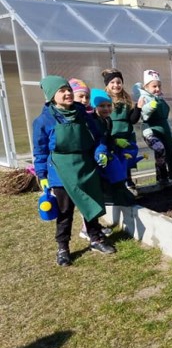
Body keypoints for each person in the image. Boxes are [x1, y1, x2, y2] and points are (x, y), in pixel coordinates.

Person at [33, 76, 116, 266]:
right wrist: (42, 175)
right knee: (65, 211)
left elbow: (98, 138)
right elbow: (40, 150)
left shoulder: (83, 114)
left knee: (91, 204)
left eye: (68, 89)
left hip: (85, 165)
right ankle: (63, 248)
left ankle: (95, 238)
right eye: (62, 91)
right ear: (51, 96)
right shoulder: (43, 121)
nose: (68, 93)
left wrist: (101, 151)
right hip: (60, 170)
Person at [103, 68, 141, 191]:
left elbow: (132, 120)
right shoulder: (105, 99)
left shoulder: (126, 99)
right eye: (112, 82)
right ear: (107, 85)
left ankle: (128, 182)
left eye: (118, 82)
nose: (116, 85)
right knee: (115, 161)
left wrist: (138, 108)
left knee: (127, 160)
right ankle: (117, 185)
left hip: (127, 136)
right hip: (113, 135)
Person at [137, 69, 172, 185]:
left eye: (159, 86)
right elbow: (144, 113)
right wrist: (150, 106)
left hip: (164, 129)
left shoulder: (160, 99)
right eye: (154, 86)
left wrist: (171, 133)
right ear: (146, 87)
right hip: (151, 130)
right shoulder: (144, 98)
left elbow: (165, 117)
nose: (157, 89)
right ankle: (162, 177)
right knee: (160, 148)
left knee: (169, 150)